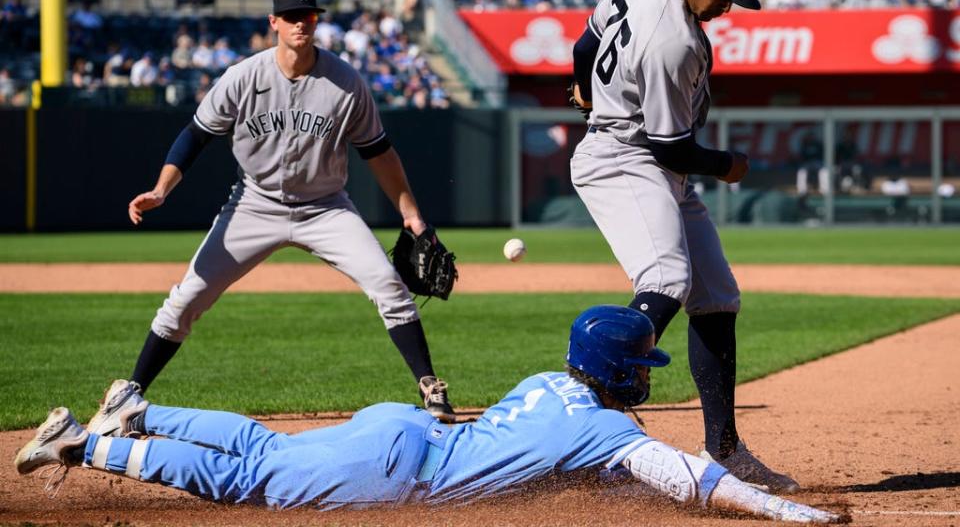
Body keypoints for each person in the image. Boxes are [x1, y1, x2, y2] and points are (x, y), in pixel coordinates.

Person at [14, 305, 840, 524]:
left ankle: (144, 406)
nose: (648, 384)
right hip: (395, 468)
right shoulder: (610, 431)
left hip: (398, 431)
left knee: (268, 445)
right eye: (643, 371)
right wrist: (788, 511)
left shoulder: (543, 383)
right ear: (620, 374)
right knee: (252, 483)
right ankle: (87, 447)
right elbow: (693, 478)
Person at [119, 0, 454, 421]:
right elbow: (196, 135)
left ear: (316, 21)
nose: (301, 22)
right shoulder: (243, 77)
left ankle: (431, 386)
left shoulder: (346, 82)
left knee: (389, 286)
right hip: (255, 205)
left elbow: (379, 152)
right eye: (291, 15)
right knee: (188, 297)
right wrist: (162, 189)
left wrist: (412, 216)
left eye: (308, 15)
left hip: (326, 208)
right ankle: (130, 393)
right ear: (273, 22)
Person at [567, 0, 799, 492]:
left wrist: (582, 90)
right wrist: (728, 164)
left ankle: (725, 451)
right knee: (667, 278)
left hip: (646, 157)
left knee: (716, 295)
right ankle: (586, 439)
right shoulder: (675, 41)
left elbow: (584, 46)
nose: (725, 5)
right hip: (625, 157)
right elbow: (673, 147)